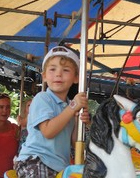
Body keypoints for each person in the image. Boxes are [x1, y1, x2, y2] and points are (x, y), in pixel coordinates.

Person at [14, 46, 90, 178]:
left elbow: (73, 142)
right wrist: (73, 107)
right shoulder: (42, 98)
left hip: (59, 166)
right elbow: (48, 131)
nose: (58, 74)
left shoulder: (68, 106)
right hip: (36, 160)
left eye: (65, 70)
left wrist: (79, 121)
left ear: (76, 78)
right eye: (52, 69)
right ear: (44, 76)